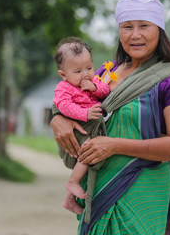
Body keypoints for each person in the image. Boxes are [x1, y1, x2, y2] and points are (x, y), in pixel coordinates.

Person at [51, 0, 170, 235]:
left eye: (144, 26)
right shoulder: (107, 73)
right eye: (127, 26)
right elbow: (70, 99)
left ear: (159, 29)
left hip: (142, 196)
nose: (135, 34)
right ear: (119, 31)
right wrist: (56, 118)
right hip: (98, 191)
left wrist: (114, 145)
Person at [53, 37, 110, 214]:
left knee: (89, 154)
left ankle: (69, 199)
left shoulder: (94, 81)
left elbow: (105, 90)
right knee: (87, 150)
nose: (85, 74)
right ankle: (73, 182)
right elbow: (63, 106)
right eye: (78, 71)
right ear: (63, 74)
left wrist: (94, 88)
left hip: (91, 124)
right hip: (78, 125)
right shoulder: (64, 88)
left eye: (89, 68)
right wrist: (84, 114)